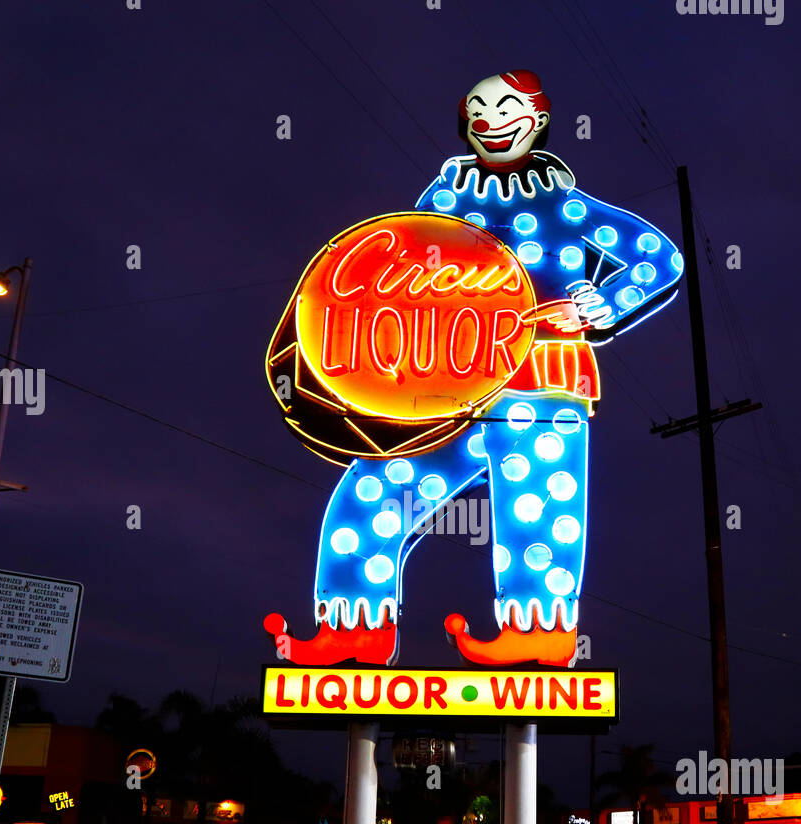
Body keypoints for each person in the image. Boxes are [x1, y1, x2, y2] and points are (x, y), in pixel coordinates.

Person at [267, 71, 682, 666]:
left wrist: (601, 304)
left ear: (536, 119)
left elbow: (657, 256)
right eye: (479, 108)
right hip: (444, 392)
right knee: (372, 491)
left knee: (534, 513)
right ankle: (356, 628)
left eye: (507, 106)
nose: (491, 117)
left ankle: (538, 635)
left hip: (539, 381)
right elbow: (399, 271)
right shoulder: (442, 203)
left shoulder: (563, 206)